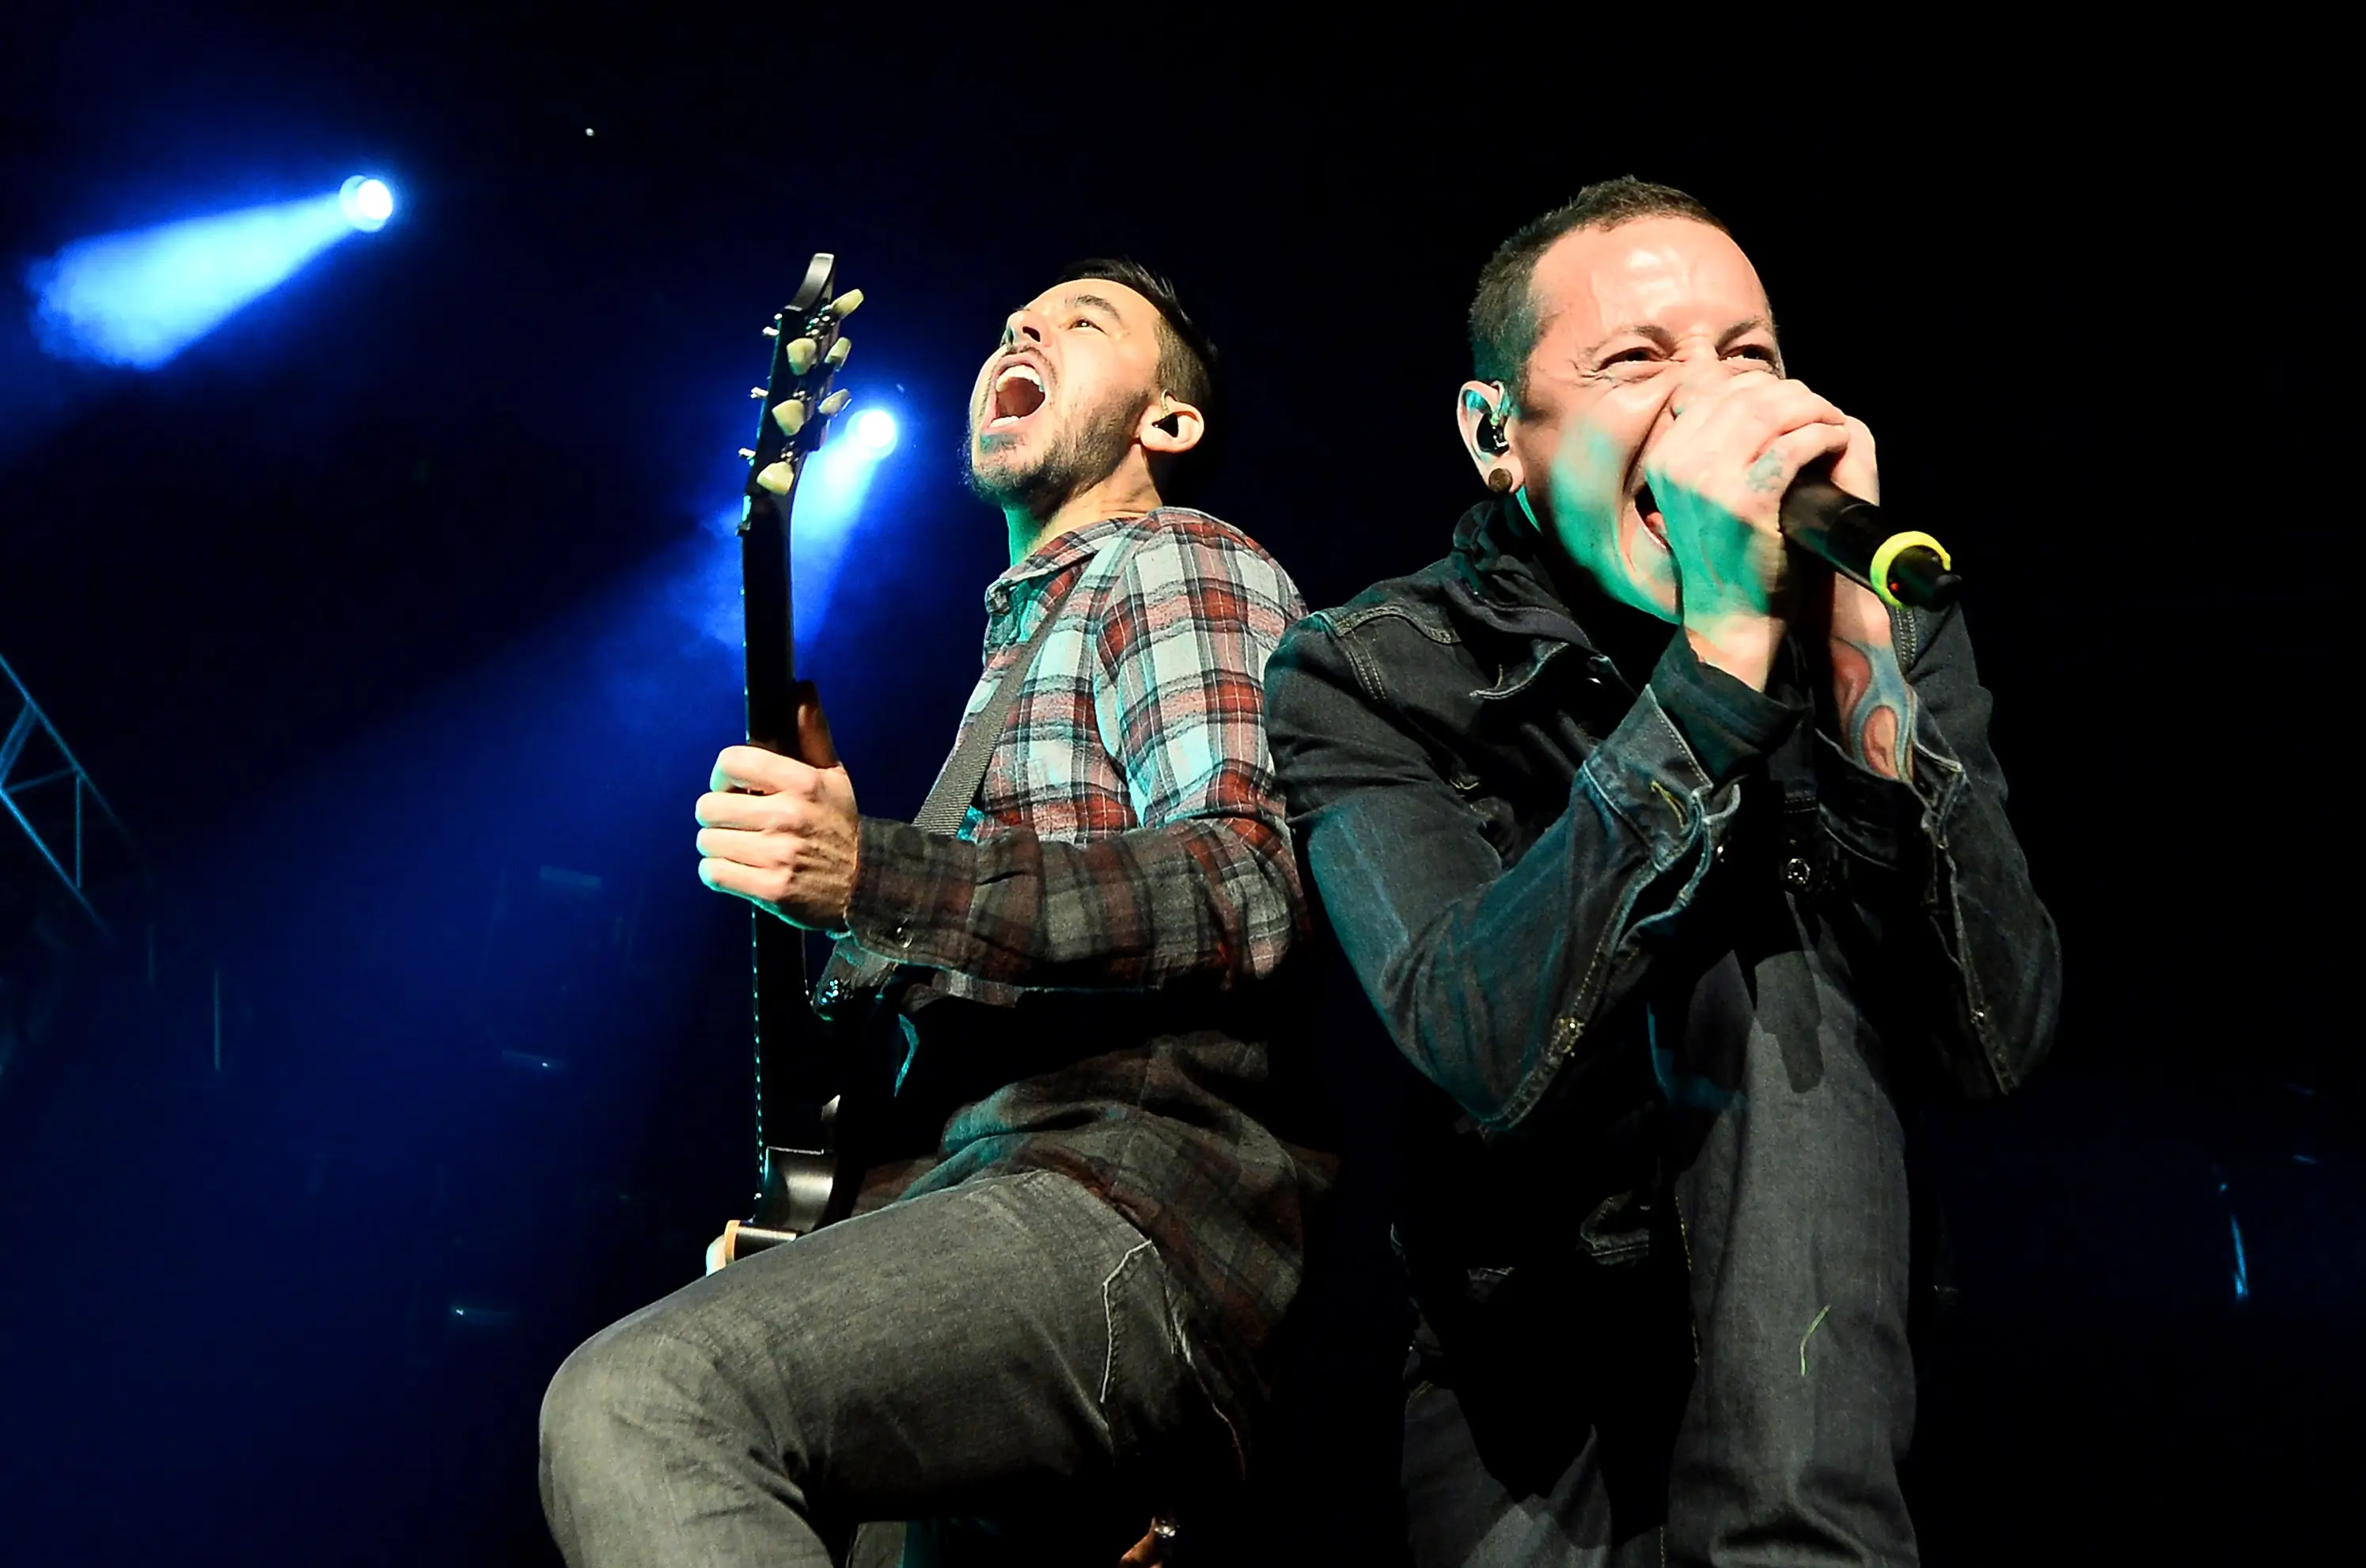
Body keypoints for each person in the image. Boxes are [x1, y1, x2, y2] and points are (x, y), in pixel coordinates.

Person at [1264, 178, 2061, 1566]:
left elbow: (1997, 1036)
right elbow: (1476, 1035)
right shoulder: (1370, 670)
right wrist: (1718, 658)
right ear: (1496, 434)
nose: (1710, 398)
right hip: (1526, 1371)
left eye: (1748, 354)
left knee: (1775, 937)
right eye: (1637, 358)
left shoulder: (1878, 625)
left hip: (1816, 1355)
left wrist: (1859, 662)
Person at [540, 259, 1327, 1566]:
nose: (1026, 328)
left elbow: (1245, 884)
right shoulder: (1012, 671)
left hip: (1113, 1203)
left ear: (1168, 420)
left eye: (1084, 322)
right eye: (1019, 318)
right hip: (982, 1206)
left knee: (649, 1399)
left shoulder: (1177, 561)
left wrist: (875, 874)